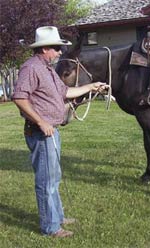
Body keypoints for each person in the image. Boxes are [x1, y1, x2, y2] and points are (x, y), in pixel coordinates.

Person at [12, 26, 108, 238]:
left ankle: (57, 217)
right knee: (46, 182)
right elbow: (19, 97)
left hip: (51, 132)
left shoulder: (48, 70)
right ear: (45, 48)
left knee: (53, 178)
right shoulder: (31, 68)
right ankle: (51, 227)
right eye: (56, 48)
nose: (59, 52)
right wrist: (41, 121)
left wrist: (91, 86)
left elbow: (66, 92)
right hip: (41, 133)